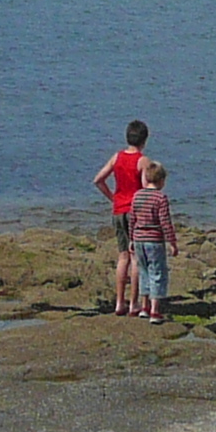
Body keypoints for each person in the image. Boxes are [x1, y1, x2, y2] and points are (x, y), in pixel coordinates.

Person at [92, 120, 149, 315]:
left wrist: (113, 197)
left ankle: (119, 303)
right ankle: (133, 303)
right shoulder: (143, 161)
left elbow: (98, 180)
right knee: (136, 258)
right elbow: (145, 189)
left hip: (118, 209)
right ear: (145, 140)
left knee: (122, 256)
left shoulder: (117, 157)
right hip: (135, 212)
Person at [127, 159, 179, 322]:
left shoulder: (137, 196)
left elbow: (132, 218)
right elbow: (165, 221)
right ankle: (155, 310)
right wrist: (172, 242)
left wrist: (131, 239)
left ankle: (144, 306)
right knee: (157, 273)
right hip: (154, 241)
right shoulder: (160, 198)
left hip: (138, 239)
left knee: (144, 272)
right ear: (162, 180)